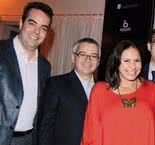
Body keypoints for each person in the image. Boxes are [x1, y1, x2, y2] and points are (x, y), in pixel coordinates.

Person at [80, 40, 155, 145]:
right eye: (127, 60)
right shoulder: (99, 91)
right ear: (117, 62)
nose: (133, 66)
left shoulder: (152, 89)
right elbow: (89, 134)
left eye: (137, 60)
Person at [0, 2, 53, 145]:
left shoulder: (45, 66)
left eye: (43, 28)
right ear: (21, 23)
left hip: (29, 140)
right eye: (32, 23)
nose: (37, 32)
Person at [38, 37, 100, 145]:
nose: (88, 59)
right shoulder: (56, 84)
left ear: (98, 61)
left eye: (93, 56)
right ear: (73, 57)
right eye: (83, 54)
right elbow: (45, 127)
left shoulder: (103, 89)